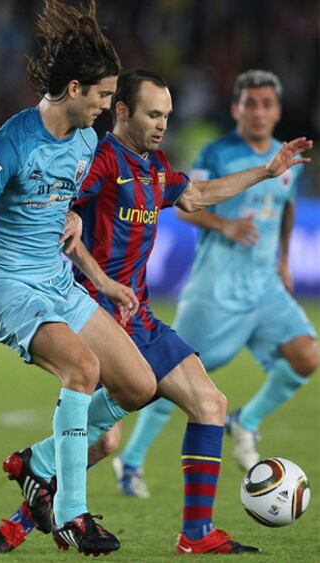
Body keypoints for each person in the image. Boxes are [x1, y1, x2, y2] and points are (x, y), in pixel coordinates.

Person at [0, 68, 312, 555]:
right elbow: (60, 218)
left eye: (167, 115)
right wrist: (90, 256)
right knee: (104, 442)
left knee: (211, 405)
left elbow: (197, 196)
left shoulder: (155, 166)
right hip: (94, 312)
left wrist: (266, 171)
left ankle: (195, 534)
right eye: (153, 114)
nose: (162, 124)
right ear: (122, 111)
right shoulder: (95, 160)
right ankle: (21, 518)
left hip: (140, 316)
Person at [0, 2, 164, 557]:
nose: (107, 108)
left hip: (55, 281)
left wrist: (71, 219)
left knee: (139, 386)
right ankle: (72, 514)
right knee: (82, 368)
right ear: (74, 89)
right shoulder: (13, 141)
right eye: (102, 97)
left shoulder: (87, 141)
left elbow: (59, 208)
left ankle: (38, 463)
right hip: (4, 286)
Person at [110, 69, 320, 492]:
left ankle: (248, 420)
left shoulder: (286, 160)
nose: (258, 112)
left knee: (307, 355)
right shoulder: (217, 153)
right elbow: (186, 206)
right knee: (169, 378)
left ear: (278, 110)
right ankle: (130, 461)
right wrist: (225, 226)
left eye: (266, 104)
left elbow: (287, 207)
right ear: (236, 109)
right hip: (215, 291)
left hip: (263, 288)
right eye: (250, 104)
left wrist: (281, 259)